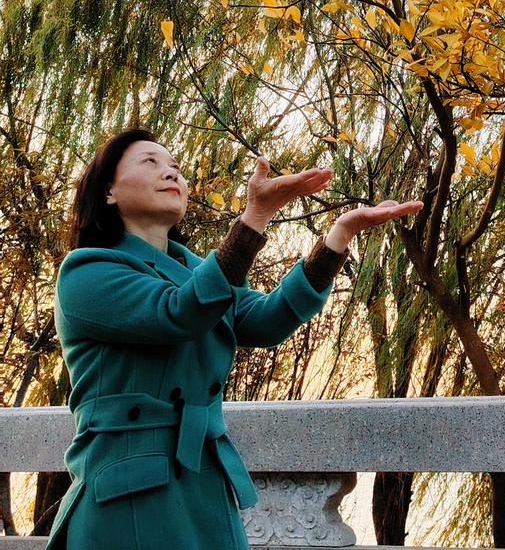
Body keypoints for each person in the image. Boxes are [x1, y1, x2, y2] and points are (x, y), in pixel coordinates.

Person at [45, 127, 423, 550]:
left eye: (175, 166)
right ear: (109, 191)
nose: (170, 173)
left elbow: (265, 320)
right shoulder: (86, 272)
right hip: (128, 491)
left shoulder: (195, 269)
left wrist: (338, 237)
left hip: (205, 482)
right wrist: (254, 217)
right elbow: (179, 313)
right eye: (150, 162)